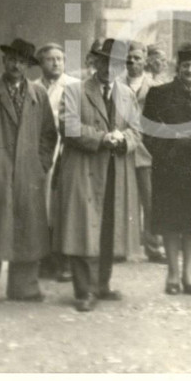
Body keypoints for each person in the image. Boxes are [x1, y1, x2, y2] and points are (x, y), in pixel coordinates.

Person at [59, 38, 144, 312]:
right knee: (83, 227)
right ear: (95, 62)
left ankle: (103, 284)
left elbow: (137, 130)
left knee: (109, 226)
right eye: (104, 61)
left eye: (116, 63)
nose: (109, 68)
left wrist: (124, 141)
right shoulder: (75, 91)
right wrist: (102, 138)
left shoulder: (126, 95)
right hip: (84, 170)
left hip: (114, 171)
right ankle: (84, 290)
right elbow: (69, 128)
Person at [0, 38, 58, 306]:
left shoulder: (38, 95)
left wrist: (41, 164)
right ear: (4, 61)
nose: (16, 65)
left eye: (21, 61)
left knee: (29, 228)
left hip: (29, 173)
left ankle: (24, 285)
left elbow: (48, 135)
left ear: (28, 66)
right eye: (11, 59)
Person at [142, 43, 191, 295]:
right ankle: (172, 274)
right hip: (170, 167)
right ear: (179, 67)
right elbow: (148, 130)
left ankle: (189, 275)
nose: (190, 70)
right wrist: (174, 140)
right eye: (186, 66)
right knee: (171, 223)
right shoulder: (160, 94)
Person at [33, 43, 76, 282]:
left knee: (62, 206)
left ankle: (64, 261)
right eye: (50, 59)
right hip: (40, 151)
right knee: (41, 206)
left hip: (65, 150)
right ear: (41, 63)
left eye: (60, 59)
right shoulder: (33, 87)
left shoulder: (73, 86)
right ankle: (44, 260)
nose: (56, 63)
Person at [124, 41, 163, 263]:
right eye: (129, 59)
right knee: (125, 199)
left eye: (137, 58)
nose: (132, 62)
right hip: (125, 149)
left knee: (150, 200)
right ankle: (124, 246)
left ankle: (153, 246)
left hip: (147, 150)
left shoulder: (155, 86)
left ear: (145, 60)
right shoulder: (117, 84)